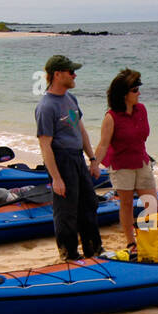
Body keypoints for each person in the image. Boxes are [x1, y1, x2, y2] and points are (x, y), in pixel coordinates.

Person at [35, 54, 102, 260]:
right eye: (71, 72)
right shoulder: (46, 106)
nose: (74, 75)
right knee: (66, 211)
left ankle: (94, 250)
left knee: (89, 204)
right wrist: (56, 178)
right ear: (57, 74)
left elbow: (80, 130)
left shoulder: (70, 99)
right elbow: (45, 145)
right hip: (61, 160)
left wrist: (92, 159)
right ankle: (69, 253)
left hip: (77, 159)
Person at [94, 68, 154, 252]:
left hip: (142, 161)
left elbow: (142, 137)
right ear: (124, 94)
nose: (139, 93)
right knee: (126, 204)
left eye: (138, 88)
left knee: (150, 202)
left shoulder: (141, 110)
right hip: (121, 166)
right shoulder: (111, 117)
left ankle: (148, 236)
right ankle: (131, 242)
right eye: (135, 90)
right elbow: (103, 145)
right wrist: (94, 164)